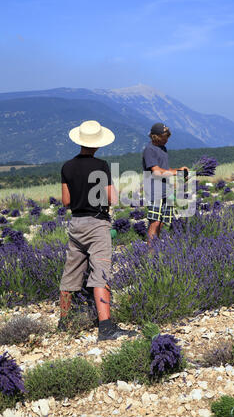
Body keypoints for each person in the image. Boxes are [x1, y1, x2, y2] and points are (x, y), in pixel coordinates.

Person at [59, 120, 137, 341]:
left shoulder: (67, 166)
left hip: (76, 223)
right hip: (97, 223)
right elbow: (112, 197)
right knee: (100, 274)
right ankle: (106, 327)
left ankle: (64, 323)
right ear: (98, 143)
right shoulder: (101, 166)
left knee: (71, 272)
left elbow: (66, 201)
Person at [142, 123, 189, 244]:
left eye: (167, 136)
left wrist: (179, 173)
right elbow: (157, 172)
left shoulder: (163, 148)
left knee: (162, 223)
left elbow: (165, 169)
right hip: (154, 191)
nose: (166, 139)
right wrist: (177, 172)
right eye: (164, 137)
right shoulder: (149, 150)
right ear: (156, 136)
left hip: (166, 191)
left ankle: (156, 249)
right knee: (155, 222)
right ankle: (150, 255)